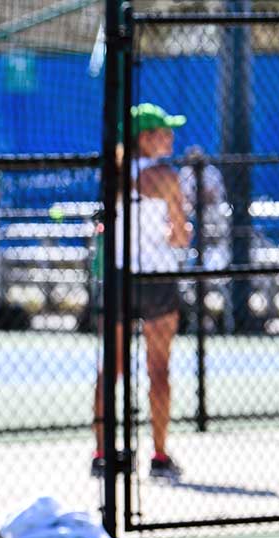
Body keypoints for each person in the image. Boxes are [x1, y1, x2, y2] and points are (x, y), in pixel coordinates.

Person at [92, 104, 191, 482]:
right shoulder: (165, 175)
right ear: (145, 137)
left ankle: (102, 454)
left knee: (109, 370)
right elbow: (180, 236)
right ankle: (160, 455)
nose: (171, 138)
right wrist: (179, 233)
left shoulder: (111, 173)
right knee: (159, 369)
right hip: (157, 280)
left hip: (117, 278)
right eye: (165, 131)